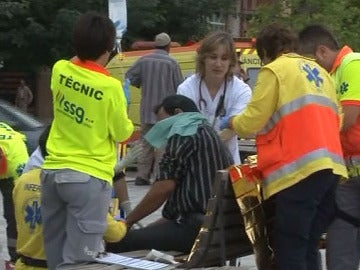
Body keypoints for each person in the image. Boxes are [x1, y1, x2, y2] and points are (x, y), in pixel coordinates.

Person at [219, 23, 347, 270]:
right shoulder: (321, 74)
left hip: (299, 173)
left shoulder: (275, 70)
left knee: (290, 248)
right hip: (331, 172)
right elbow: (338, 120)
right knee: (308, 244)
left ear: (266, 53)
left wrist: (232, 121)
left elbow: (252, 121)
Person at [40, 11, 134, 269]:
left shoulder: (60, 70)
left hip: (53, 173)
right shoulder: (110, 87)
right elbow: (123, 133)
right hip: (88, 177)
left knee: (56, 257)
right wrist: (122, 103)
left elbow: (75, 62)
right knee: (80, 261)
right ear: (109, 49)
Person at [106, 94, 233, 253]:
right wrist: (142, 231)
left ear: (178, 113)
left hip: (194, 231)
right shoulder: (209, 133)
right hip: (219, 230)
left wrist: (127, 223)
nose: (160, 128)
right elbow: (172, 214)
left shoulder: (184, 131)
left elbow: (163, 188)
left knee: (115, 242)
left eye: (162, 122)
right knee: (138, 236)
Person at [13, 127, 131, 270]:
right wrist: (125, 223)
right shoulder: (81, 186)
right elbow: (114, 234)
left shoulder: (23, 180)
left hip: (24, 264)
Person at [298, 24, 360, 270]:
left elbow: (351, 116)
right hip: (348, 171)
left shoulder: (352, 63)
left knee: (342, 237)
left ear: (322, 51)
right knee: (341, 241)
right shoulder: (334, 73)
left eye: (311, 62)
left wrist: (314, 135)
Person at [177, 30, 252, 164]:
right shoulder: (186, 88)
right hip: (193, 164)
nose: (218, 64)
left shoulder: (241, 90)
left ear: (231, 62)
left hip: (227, 164)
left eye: (224, 58)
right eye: (213, 57)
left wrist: (206, 146)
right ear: (203, 58)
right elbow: (185, 129)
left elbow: (233, 128)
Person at [126, 32, 184, 185]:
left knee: (145, 144)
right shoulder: (172, 63)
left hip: (146, 111)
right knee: (162, 146)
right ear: (168, 46)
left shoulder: (144, 60)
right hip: (166, 114)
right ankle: (158, 177)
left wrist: (140, 83)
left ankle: (141, 176)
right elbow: (181, 86)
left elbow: (130, 77)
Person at [0, 122, 29, 267]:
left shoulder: (18, 161)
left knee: (14, 214)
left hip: (11, 173)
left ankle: (15, 257)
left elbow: (22, 192)